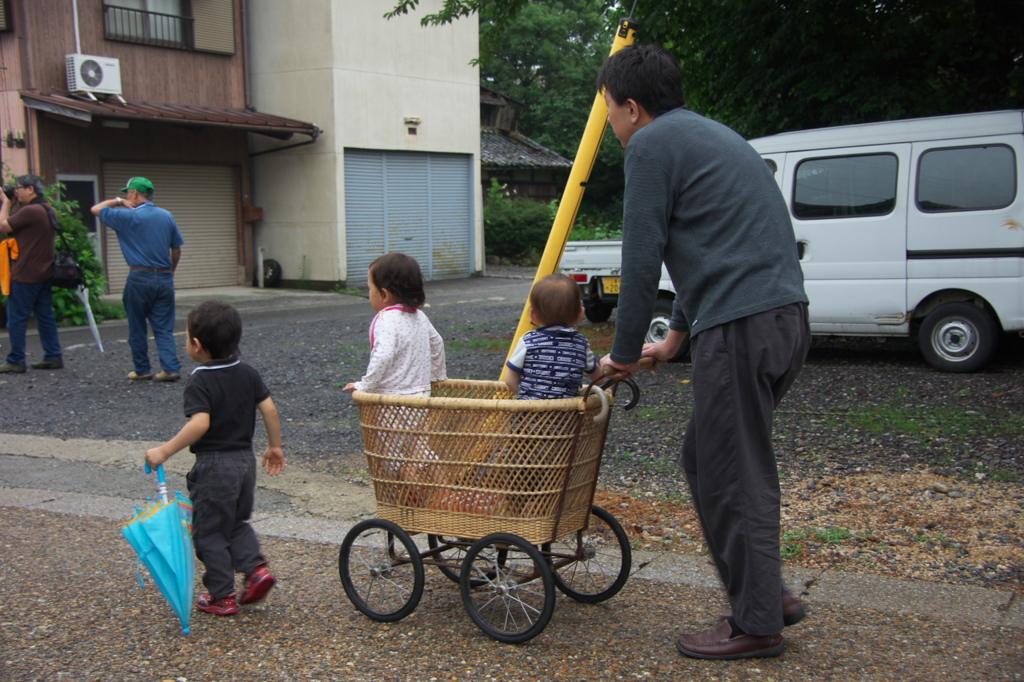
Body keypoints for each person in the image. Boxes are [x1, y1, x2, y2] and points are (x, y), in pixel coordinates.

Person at [596, 44, 811, 660]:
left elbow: (641, 258)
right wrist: (675, 337)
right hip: (781, 319)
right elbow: (709, 249)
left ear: (633, 109)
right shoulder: (713, 136)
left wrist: (625, 352)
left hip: (742, 328)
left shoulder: (651, 147)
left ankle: (756, 621)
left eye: (610, 111)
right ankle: (765, 593)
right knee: (709, 457)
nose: (611, 125)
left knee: (730, 473)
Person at [145, 300, 285, 616]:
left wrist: (164, 451)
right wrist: (274, 446)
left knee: (209, 531)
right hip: (245, 462)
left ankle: (222, 595)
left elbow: (200, 423)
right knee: (235, 522)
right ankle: (256, 570)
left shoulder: (200, 379)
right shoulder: (248, 372)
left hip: (214, 467)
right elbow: (270, 409)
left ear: (196, 344)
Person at [91, 177, 184, 381]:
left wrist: (117, 201)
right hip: (165, 276)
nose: (126, 197)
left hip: (140, 275)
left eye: (127, 193)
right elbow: (176, 249)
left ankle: (142, 369)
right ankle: (170, 367)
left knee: (137, 326)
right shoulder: (167, 216)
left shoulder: (126, 217)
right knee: (163, 326)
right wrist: (170, 271)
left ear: (133, 194)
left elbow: (96, 209)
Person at [342, 252, 447, 396]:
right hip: (421, 395)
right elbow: (437, 343)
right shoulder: (420, 316)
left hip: (392, 398)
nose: (369, 293)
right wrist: (436, 376)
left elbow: (383, 356)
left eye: (370, 288)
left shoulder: (386, 319)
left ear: (384, 294)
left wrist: (365, 385)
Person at [0, 175, 63, 373]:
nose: (16, 191)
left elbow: (3, 226)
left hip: (26, 273)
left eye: (19, 188)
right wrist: (12, 204)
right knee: (45, 316)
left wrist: (4, 203)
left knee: (17, 318)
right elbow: (20, 227)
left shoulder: (31, 211)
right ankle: (53, 356)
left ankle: (16, 360)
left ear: (30, 189)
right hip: (44, 271)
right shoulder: (47, 209)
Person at [504, 273, 603, 399]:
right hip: (567, 416)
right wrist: (608, 390)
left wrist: (523, 397)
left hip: (528, 416)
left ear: (533, 315)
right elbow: (598, 378)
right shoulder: (581, 344)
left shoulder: (528, 341)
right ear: (580, 314)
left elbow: (510, 380)